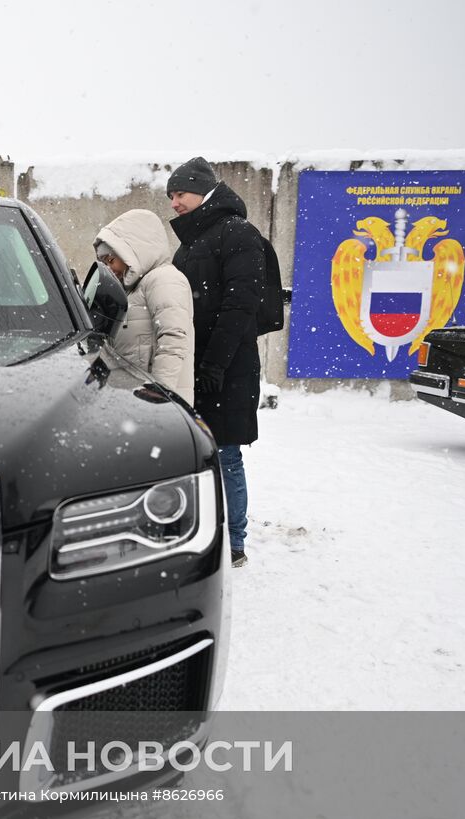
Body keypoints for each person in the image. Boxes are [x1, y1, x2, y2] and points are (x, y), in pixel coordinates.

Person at [166, 157, 263, 568]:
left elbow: (239, 307)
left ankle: (234, 542)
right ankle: (199, 532)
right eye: (170, 196)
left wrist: (215, 366)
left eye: (180, 194)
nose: (174, 203)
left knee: (225, 454)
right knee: (192, 457)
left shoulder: (237, 234)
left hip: (228, 369)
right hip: (197, 368)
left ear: (203, 191)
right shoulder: (190, 244)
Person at [93, 209, 195, 404]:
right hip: (137, 397)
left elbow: (173, 337)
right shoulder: (133, 288)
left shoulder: (164, 279)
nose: (108, 268)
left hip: (157, 400)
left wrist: (160, 390)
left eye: (110, 260)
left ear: (132, 251)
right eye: (103, 263)